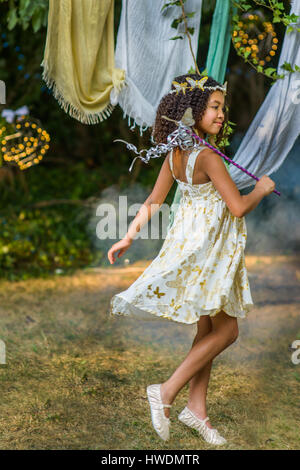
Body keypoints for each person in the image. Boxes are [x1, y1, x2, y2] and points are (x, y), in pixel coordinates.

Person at [107, 74, 276, 445]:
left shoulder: (176, 154)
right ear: (193, 111)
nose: (221, 114)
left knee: (208, 330)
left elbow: (153, 201)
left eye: (222, 107)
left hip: (192, 246)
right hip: (211, 251)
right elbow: (237, 207)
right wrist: (261, 189)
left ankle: (196, 410)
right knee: (228, 331)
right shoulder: (209, 157)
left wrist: (128, 234)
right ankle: (165, 392)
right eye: (214, 107)